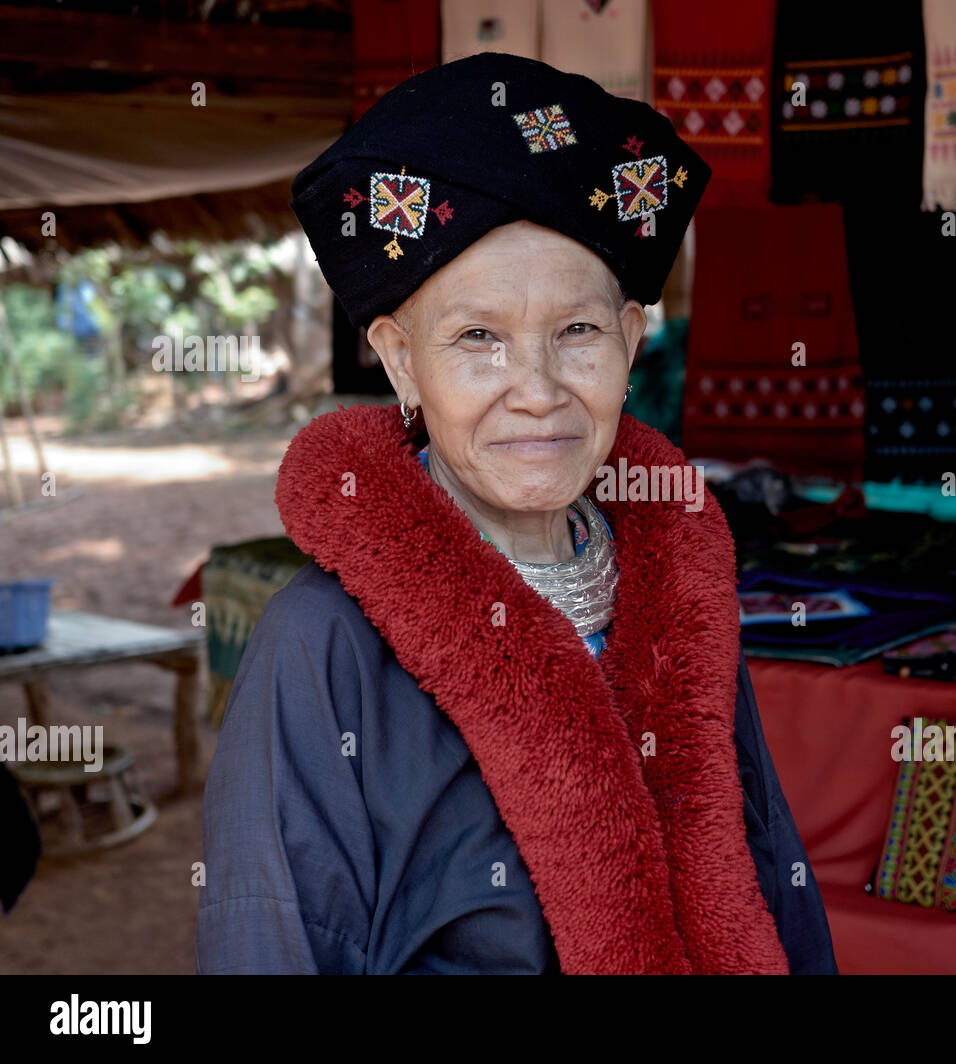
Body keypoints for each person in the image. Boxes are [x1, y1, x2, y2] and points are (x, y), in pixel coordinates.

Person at [196, 52, 836, 975]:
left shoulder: (679, 594)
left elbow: (772, 885)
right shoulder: (321, 642)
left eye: (576, 333)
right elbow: (273, 941)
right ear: (401, 360)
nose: (536, 392)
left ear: (628, 341)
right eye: (477, 340)